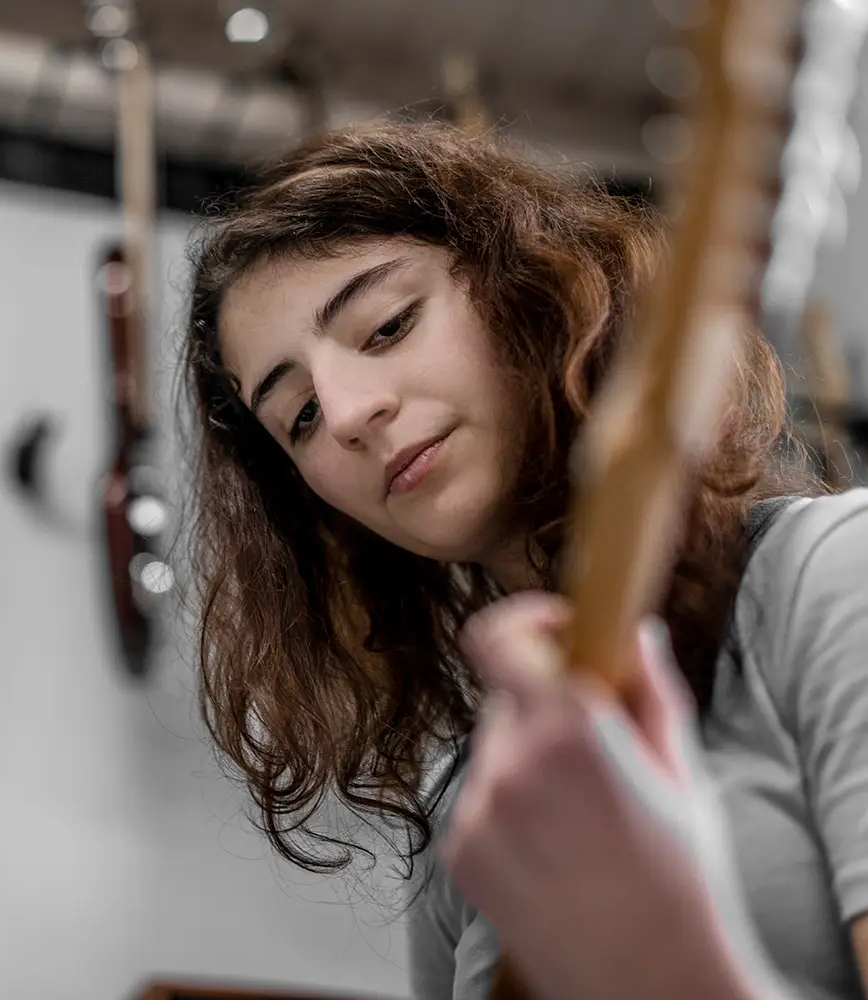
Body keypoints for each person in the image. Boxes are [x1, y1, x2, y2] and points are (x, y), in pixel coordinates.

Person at [180, 119, 868, 1000]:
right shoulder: (472, 809)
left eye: (386, 326)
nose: (347, 412)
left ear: (531, 289)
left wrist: (667, 954)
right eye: (300, 419)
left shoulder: (828, 581)